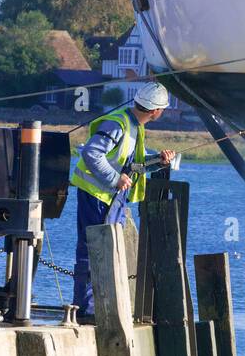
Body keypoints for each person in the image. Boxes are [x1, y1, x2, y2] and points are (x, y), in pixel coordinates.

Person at [70, 81, 175, 319]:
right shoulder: (119, 124)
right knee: (91, 251)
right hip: (96, 196)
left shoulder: (133, 125)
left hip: (110, 197)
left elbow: (132, 166)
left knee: (105, 251)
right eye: (163, 109)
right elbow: (91, 153)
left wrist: (158, 160)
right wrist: (115, 179)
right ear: (155, 110)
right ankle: (86, 310)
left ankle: (98, 307)